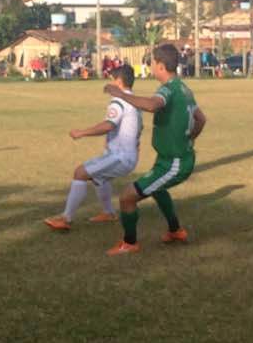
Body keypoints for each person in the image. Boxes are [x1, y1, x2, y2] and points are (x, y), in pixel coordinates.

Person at [102, 44, 207, 256]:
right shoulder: (183, 88)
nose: (149, 66)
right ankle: (176, 231)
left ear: (160, 65)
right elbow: (201, 119)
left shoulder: (167, 89)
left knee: (127, 197)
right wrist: (189, 140)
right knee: (157, 190)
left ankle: (129, 243)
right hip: (169, 158)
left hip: (174, 162)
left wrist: (120, 94)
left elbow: (152, 105)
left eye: (151, 62)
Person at [45, 65, 142, 231]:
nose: (109, 84)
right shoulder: (134, 101)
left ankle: (66, 219)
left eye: (111, 80)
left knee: (80, 173)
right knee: (99, 178)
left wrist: (82, 132)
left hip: (120, 156)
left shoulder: (118, 101)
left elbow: (109, 125)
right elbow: (139, 127)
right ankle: (108, 213)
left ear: (118, 82)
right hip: (126, 155)